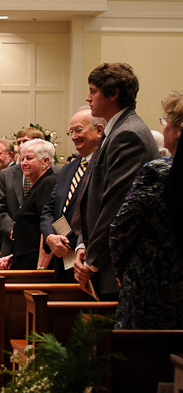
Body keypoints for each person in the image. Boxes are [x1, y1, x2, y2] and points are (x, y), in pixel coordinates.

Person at [73, 63, 158, 300]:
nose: (88, 98)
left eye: (93, 91)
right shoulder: (116, 130)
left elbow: (115, 206)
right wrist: (82, 245)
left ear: (113, 94)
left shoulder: (128, 134)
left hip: (114, 267)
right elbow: (91, 196)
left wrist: (92, 260)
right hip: (103, 260)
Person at [109, 91, 183, 330]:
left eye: (166, 122)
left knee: (146, 361)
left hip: (153, 287)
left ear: (178, 130)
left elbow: (122, 229)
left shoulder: (159, 172)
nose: (165, 129)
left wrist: (121, 269)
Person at [40, 107, 105, 282]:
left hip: (86, 259)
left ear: (99, 130)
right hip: (61, 257)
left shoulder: (104, 166)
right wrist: (50, 237)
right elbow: (49, 210)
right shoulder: (69, 168)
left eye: (79, 130)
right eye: (71, 132)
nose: (74, 136)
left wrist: (69, 242)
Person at [0, 139, 57, 270]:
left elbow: (47, 228)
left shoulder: (48, 183)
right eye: (22, 159)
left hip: (36, 265)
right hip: (27, 259)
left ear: (45, 161)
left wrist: (41, 268)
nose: (24, 163)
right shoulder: (38, 185)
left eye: (29, 158)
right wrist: (15, 256)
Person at [0, 127, 44, 258]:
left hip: (41, 243)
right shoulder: (7, 174)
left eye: (25, 141)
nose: (20, 146)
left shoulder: (55, 173)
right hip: (12, 244)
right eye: (18, 142)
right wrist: (13, 229)